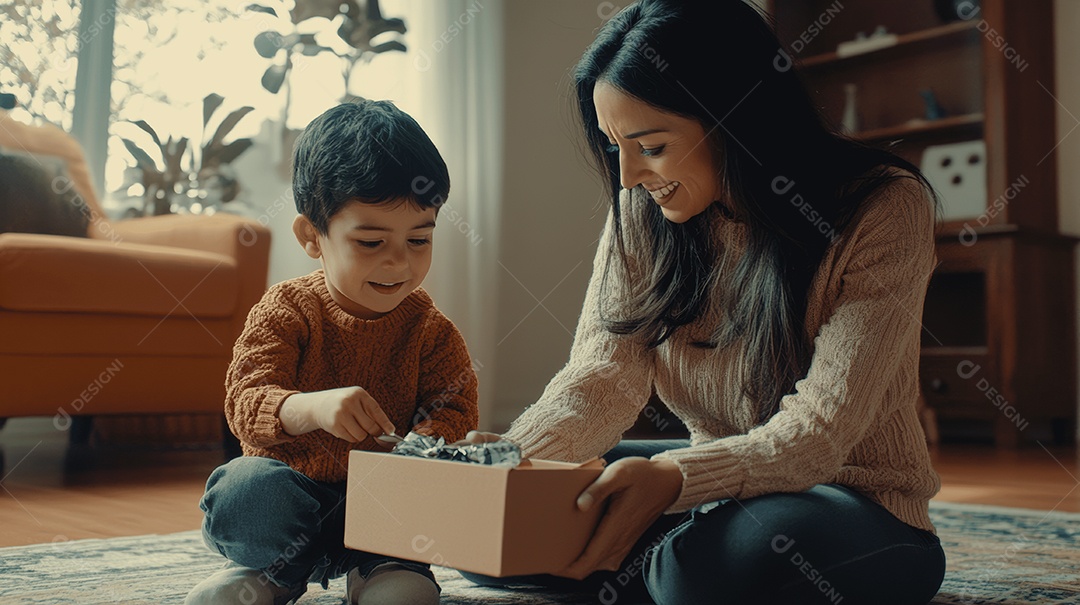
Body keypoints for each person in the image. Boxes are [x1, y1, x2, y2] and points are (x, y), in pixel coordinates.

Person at [462, 1, 946, 604]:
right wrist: (510, 468)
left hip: (855, 501)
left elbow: (819, 435)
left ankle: (653, 563)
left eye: (652, 146)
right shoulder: (644, 212)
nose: (629, 175)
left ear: (736, 119)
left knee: (706, 572)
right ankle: (655, 561)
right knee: (488, 536)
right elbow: (602, 376)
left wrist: (674, 480)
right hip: (719, 482)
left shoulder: (884, 207)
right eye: (616, 147)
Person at [186, 99, 479, 605]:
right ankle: (276, 572)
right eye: (370, 242)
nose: (398, 261)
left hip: (384, 506)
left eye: (418, 239)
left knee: (437, 488)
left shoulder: (431, 331)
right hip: (292, 500)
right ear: (312, 237)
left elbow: (454, 409)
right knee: (243, 490)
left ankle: (383, 566)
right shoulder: (287, 309)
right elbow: (245, 401)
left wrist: (418, 445)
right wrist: (311, 407)